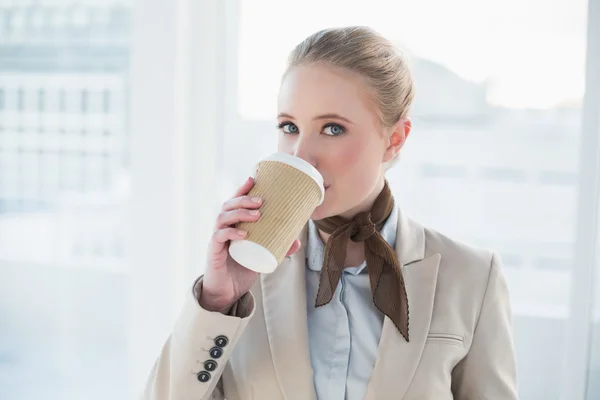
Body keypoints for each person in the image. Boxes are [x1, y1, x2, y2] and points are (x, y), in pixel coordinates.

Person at [141, 26, 518, 400]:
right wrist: (217, 302)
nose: (300, 154)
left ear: (395, 139)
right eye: (289, 126)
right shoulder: (246, 272)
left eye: (333, 128)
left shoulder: (471, 276)